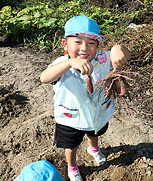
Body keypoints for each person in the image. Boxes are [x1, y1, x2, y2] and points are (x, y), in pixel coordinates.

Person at [40, 15, 131, 181]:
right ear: (65, 44)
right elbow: (44, 78)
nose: (84, 48)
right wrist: (69, 63)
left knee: (94, 132)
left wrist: (119, 48)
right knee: (71, 145)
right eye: (77, 41)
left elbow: (125, 54)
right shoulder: (61, 63)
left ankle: (93, 149)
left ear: (97, 46)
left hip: (96, 113)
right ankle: (72, 167)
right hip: (70, 118)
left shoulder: (102, 59)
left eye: (91, 43)